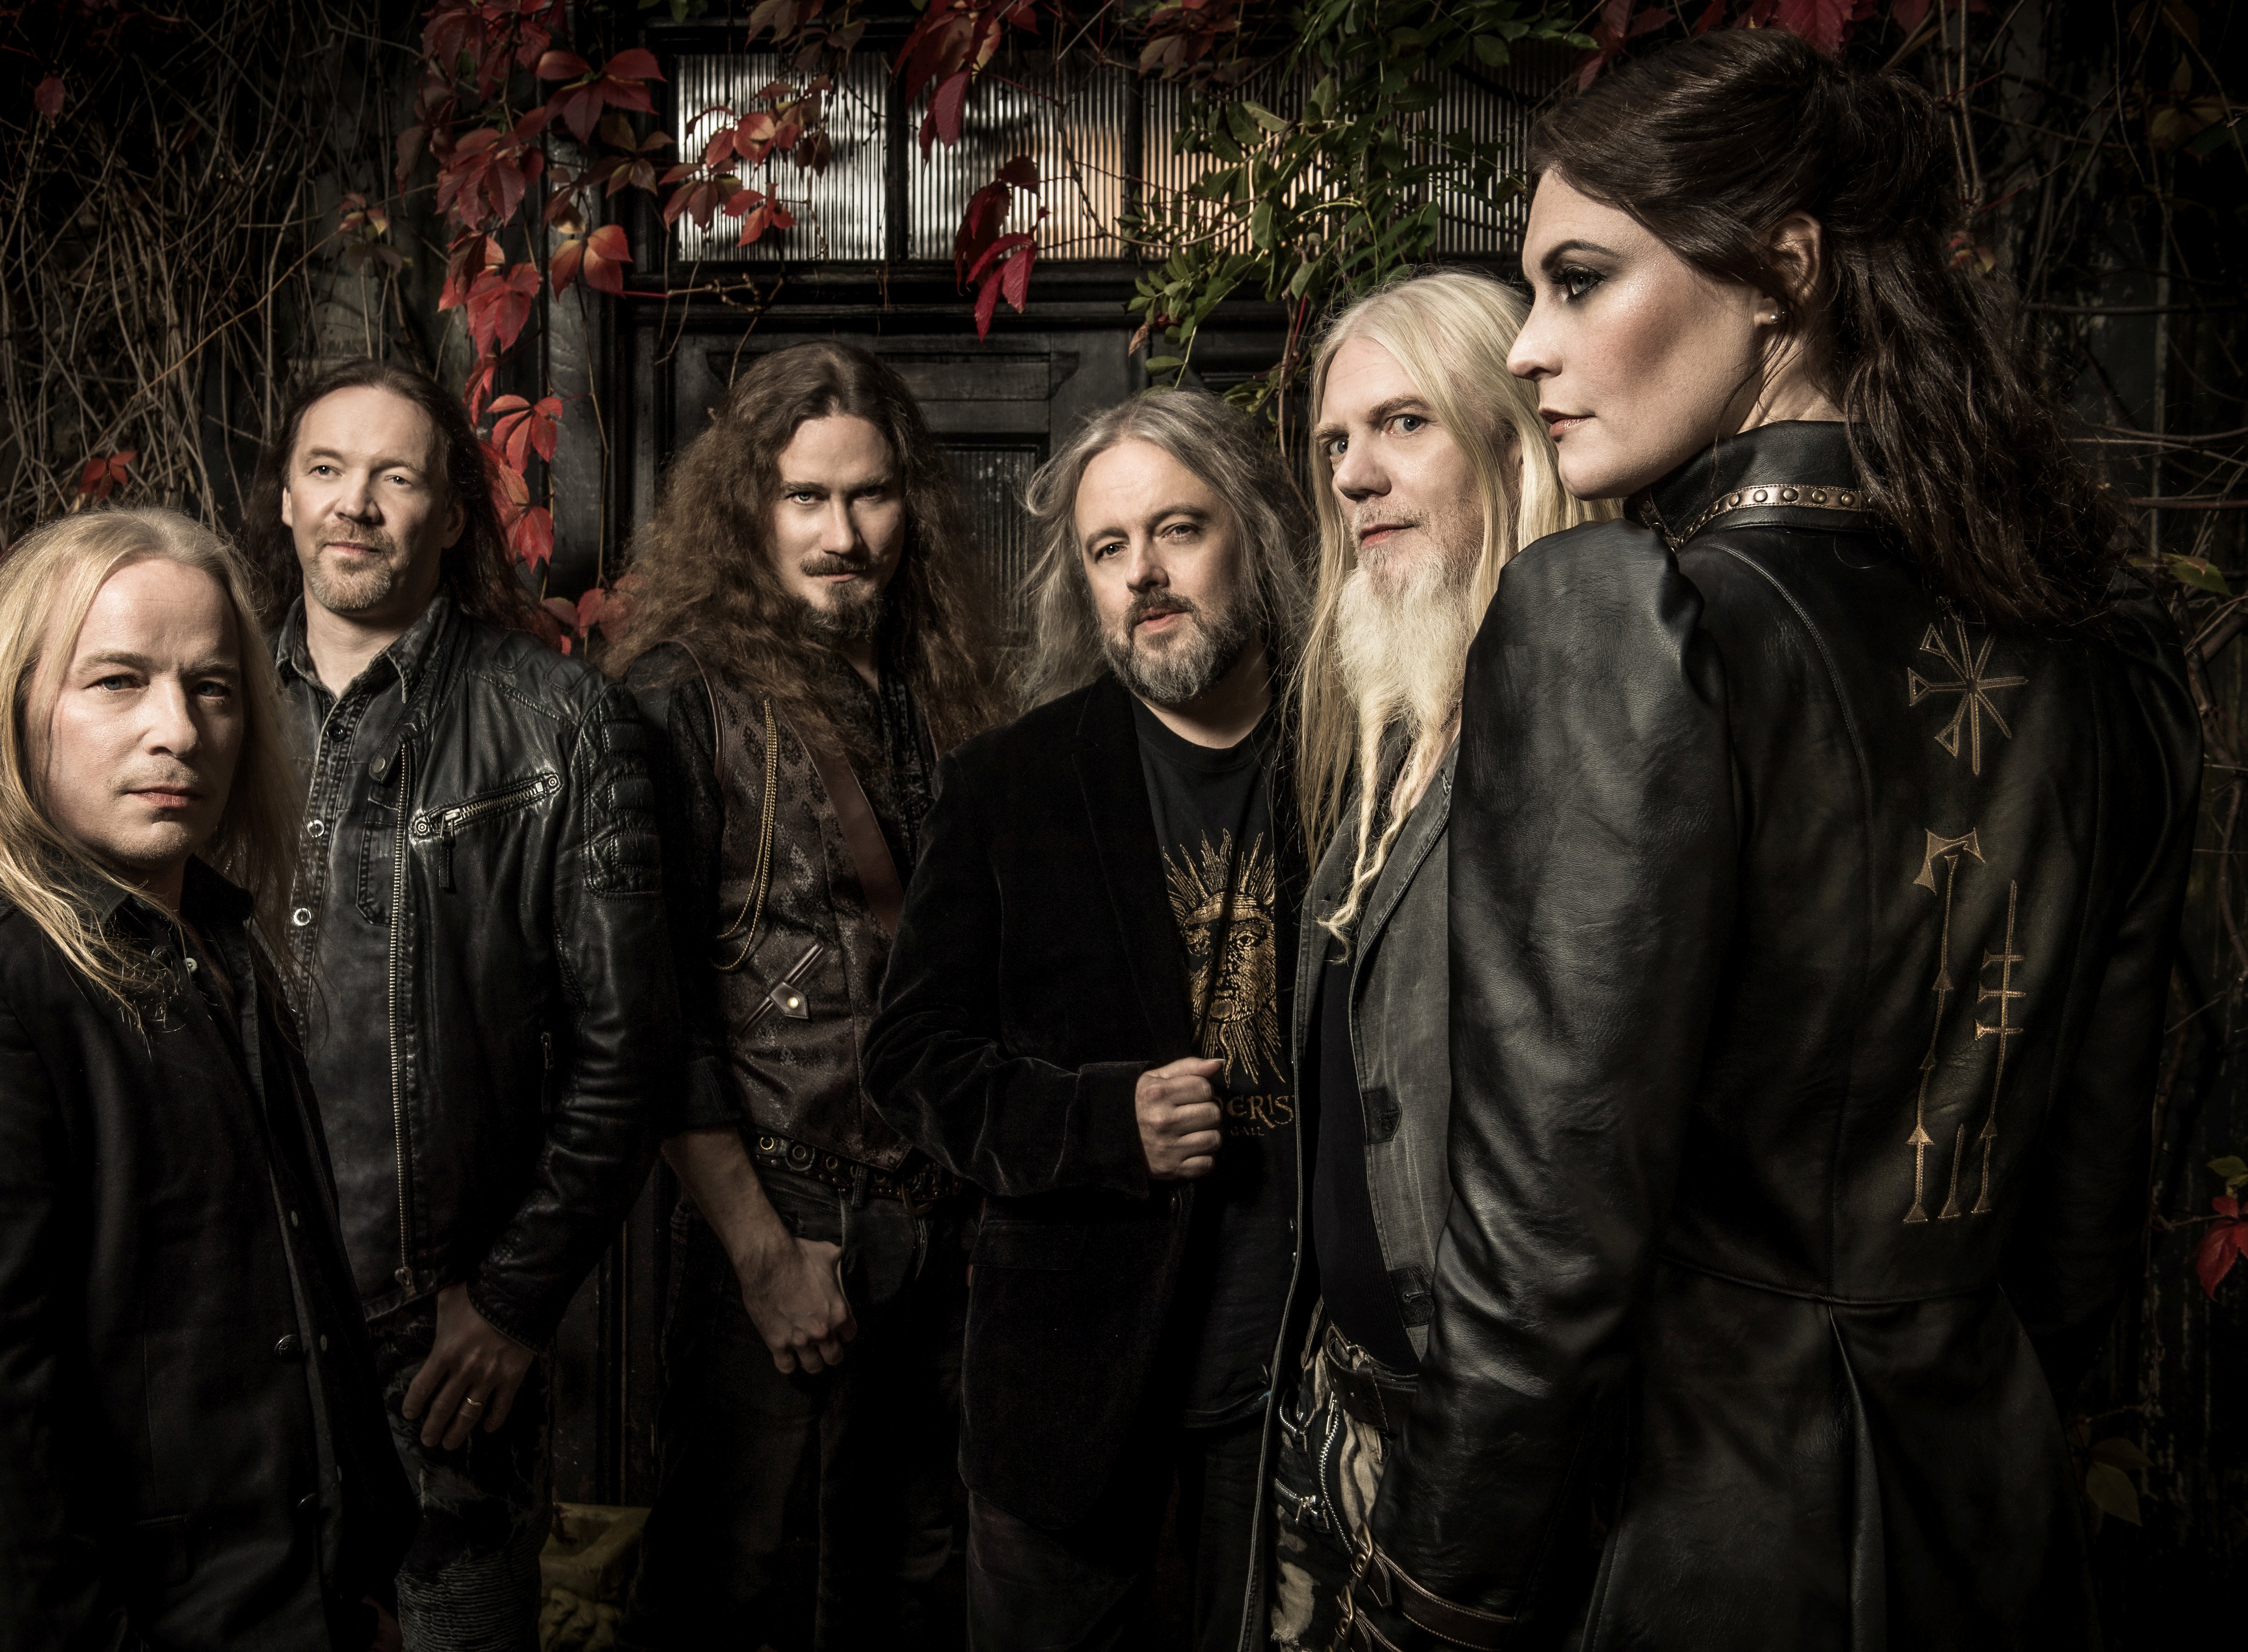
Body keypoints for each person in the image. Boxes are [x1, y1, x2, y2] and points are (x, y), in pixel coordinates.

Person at [1345, 31, 2200, 1652]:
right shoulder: (2107, 646)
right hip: (1993, 1521)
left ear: (1784, 275)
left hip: (1696, 1539)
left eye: (1580, 281)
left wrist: (1438, 1595)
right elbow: (2090, 1215)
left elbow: (1543, 1246)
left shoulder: (1622, 622)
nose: (1528, 349)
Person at [0, 507, 415, 1649]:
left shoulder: (220, 956)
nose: (177, 731)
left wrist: (357, 1588)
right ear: (15, 709)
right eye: (117, 682)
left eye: (212, 688)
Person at [864, 389, 1312, 1651]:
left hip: (1299, 1384)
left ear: (1252, 533)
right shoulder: (1009, 786)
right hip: (1066, 1392)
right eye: (1108, 548)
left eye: (1177, 530)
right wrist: (1102, 1122)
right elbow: (909, 1059)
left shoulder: (1351, 753)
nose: (1142, 574)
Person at [240, 360, 675, 1650]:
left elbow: (627, 1059)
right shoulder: (207, 707)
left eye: (396, 476)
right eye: (326, 470)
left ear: (449, 514)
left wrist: (512, 1303)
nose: (355, 504)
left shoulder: (562, 723)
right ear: (284, 499)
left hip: (438, 1354)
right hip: (237, 1329)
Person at [607, 341, 1010, 1652]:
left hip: (941, 1219)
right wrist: (763, 1254)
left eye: (871, 495)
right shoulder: (678, 698)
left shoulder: (937, 684)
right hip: (783, 1211)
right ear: (750, 509)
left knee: (913, 1585)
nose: (843, 536)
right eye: (805, 498)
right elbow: (653, 1014)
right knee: (735, 1589)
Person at [1258, 268, 1607, 1650]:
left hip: (1482, 1463)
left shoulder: (1575, 721)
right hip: (1337, 1405)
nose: (1354, 475)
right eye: (1336, 443)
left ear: (1513, 445)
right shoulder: (1395, 725)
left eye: (1403, 424)